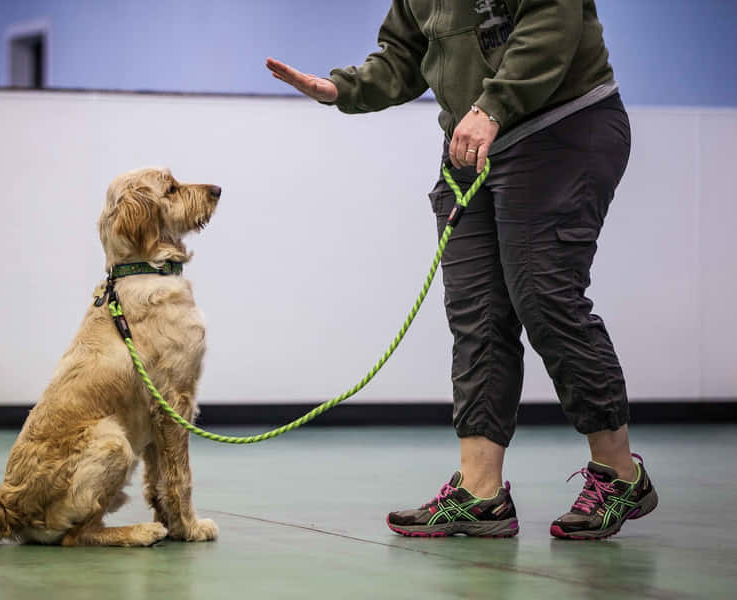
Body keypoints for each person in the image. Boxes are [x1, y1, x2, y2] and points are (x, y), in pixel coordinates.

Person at [266, 0, 658, 540]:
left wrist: (493, 105)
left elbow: (551, 23)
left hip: (561, 126)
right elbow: (403, 54)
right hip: (475, 148)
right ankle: (481, 493)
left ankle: (620, 475)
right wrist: (344, 89)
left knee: (544, 297)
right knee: (478, 314)